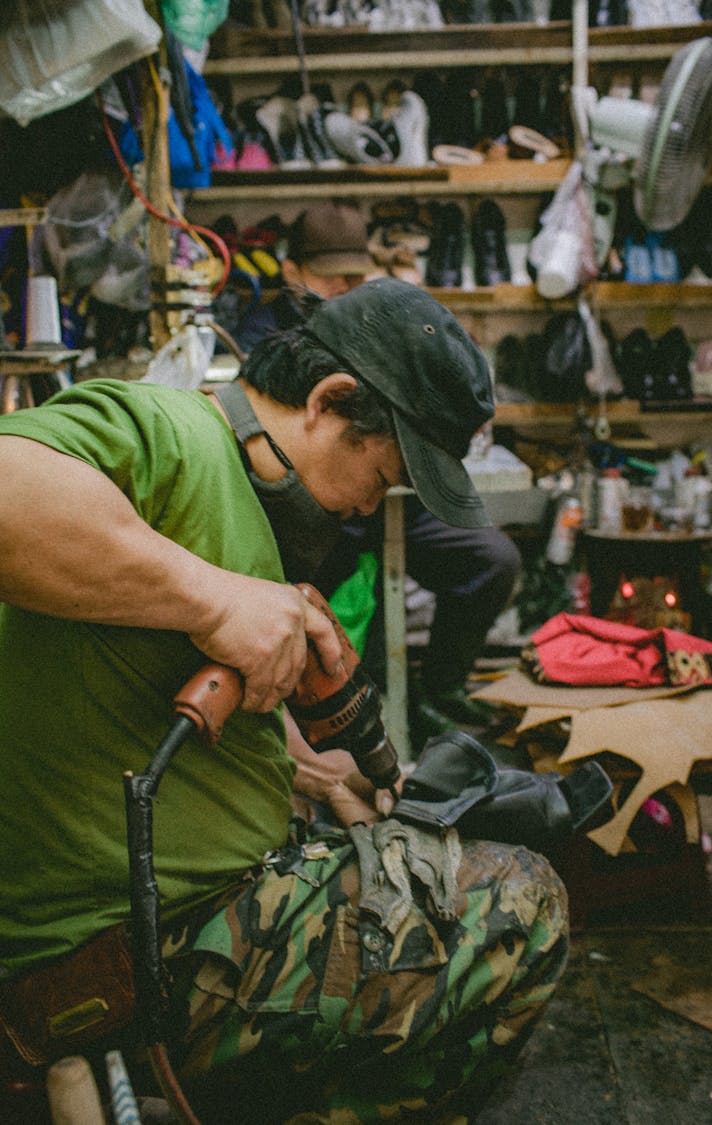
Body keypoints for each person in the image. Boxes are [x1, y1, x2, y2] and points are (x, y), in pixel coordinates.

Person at [0, 278, 567, 1124]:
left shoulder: (248, 499)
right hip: (127, 956)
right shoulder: (175, 432)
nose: (371, 505)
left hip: (185, 918)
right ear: (329, 399)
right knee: (524, 905)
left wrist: (303, 774)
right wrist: (213, 599)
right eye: (380, 474)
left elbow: (123, 687)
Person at [235, 201, 523, 745]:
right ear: (291, 270)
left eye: (355, 274)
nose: (344, 285)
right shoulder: (261, 334)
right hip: (318, 497)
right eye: (330, 274)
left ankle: (437, 691)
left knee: (492, 560)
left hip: (373, 483)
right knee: (317, 606)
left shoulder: (377, 319)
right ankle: (318, 720)